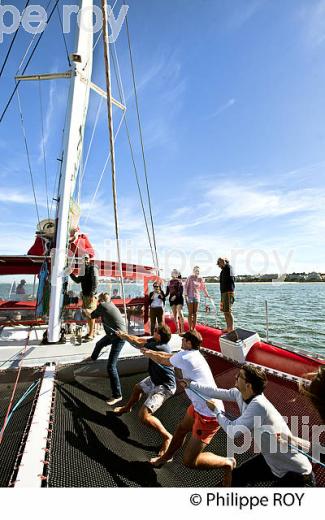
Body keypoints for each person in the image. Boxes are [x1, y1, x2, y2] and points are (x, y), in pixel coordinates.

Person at [185, 363, 315, 487]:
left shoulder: (258, 405)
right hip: (272, 462)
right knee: (237, 476)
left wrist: (216, 411)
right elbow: (214, 392)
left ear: (248, 385)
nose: (235, 376)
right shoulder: (239, 394)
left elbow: (233, 431)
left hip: (297, 474)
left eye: (239, 376)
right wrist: (190, 385)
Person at [141, 330, 236, 479]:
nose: (181, 341)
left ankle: (227, 462)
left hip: (209, 414)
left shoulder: (186, 356)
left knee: (190, 461)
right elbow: (169, 357)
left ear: (189, 343)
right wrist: (151, 352)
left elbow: (162, 359)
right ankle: (165, 457)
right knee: (181, 430)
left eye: (183, 339)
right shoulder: (190, 354)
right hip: (198, 407)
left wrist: (148, 354)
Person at [113, 324, 176, 456]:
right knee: (137, 388)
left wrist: (124, 336)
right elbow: (140, 340)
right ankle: (127, 407)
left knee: (144, 416)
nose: (153, 332)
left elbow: (137, 344)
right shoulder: (155, 340)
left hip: (164, 386)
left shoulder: (159, 347)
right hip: (155, 379)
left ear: (160, 335)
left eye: (155, 331)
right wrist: (124, 335)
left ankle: (167, 437)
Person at [83, 293, 126, 406]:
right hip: (114, 334)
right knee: (99, 344)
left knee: (111, 366)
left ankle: (117, 395)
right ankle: (93, 358)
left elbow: (90, 315)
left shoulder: (103, 306)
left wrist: (84, 308)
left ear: (100, 301)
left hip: (119, 337)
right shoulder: (110, 304)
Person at [70, 254, 99, 340]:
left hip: (90, 296)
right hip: (86, 295)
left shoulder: (93, 267)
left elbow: (96, 282)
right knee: (88, 315)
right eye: (83, 259)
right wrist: (70, 273)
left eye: (86, 258)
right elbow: (78, 281)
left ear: (89, 259)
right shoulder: (82, 270)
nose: (84, 260)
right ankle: (90, 333)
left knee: (91, 315)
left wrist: (92, 294)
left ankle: (91, 334)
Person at [216, 257, 235, 333]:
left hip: (228, 292)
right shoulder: (223, 270)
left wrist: (223, 261)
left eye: (219, 263)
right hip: (223, 293)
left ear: (223, 262)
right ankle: (228, 327)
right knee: (225, 311)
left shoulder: (229, 268)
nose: (218, 265)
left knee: (228, 311)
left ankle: (231, 329)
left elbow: (232, 279)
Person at [165, 269, 184, 334]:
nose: (174, 273)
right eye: (173, 272)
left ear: (177, 274)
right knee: (174, 315)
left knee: (180, 313)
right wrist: (162, 296)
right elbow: (167, 293)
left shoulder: (180, 281)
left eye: (175, 272)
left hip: (179, 298)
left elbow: (180, 292)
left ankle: (183, 330)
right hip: (172, 299)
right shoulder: (169, 282)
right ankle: (178, 330)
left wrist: (175, 296)